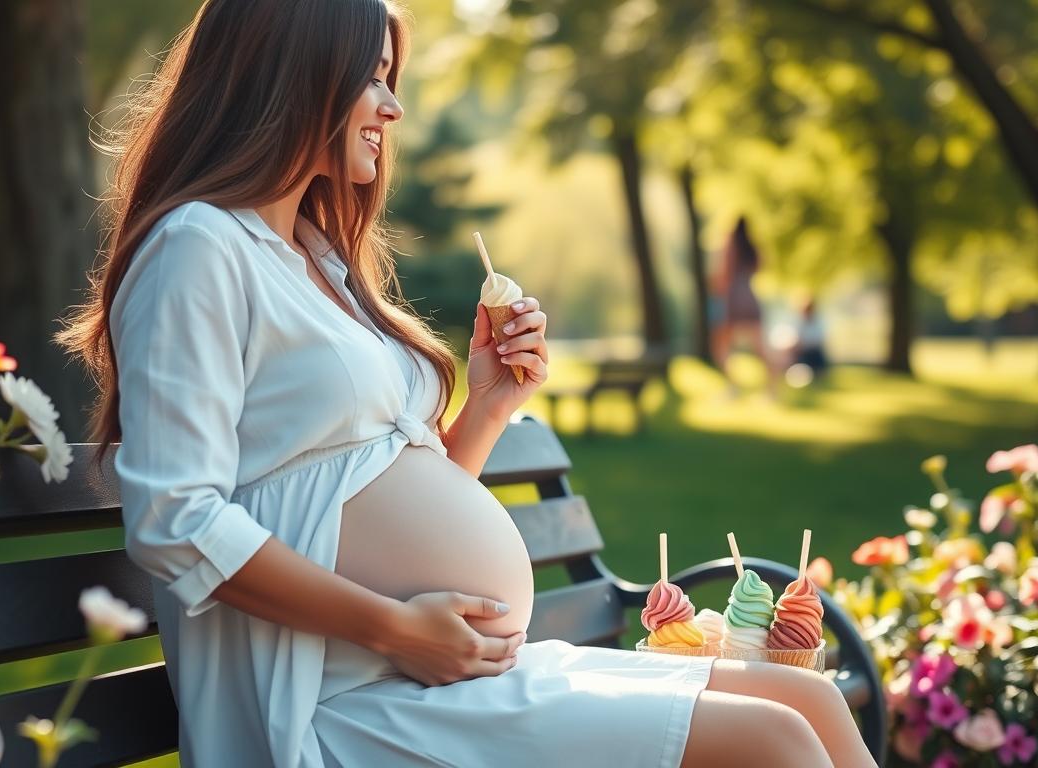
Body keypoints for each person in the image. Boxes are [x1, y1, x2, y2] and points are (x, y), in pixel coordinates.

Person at [59, 2, 873, 766]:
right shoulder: (199, 247)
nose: (392, 108)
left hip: (429, 674)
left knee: (809, 698)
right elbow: (176, 521)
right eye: (373, 78)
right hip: (333, 698)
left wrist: (485, 408)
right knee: (773, 738)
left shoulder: (317, 259)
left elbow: (372, 497)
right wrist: (394, 628)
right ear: (294, 73)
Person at [710, 218, 781, 397]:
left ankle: (732, 387)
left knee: (722, 347)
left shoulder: (730, 246)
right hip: (750, 297)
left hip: (733, 299)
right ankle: (772, 389)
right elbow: (761, 266)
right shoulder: (752, 247)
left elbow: (723, 274)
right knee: (761, 349)